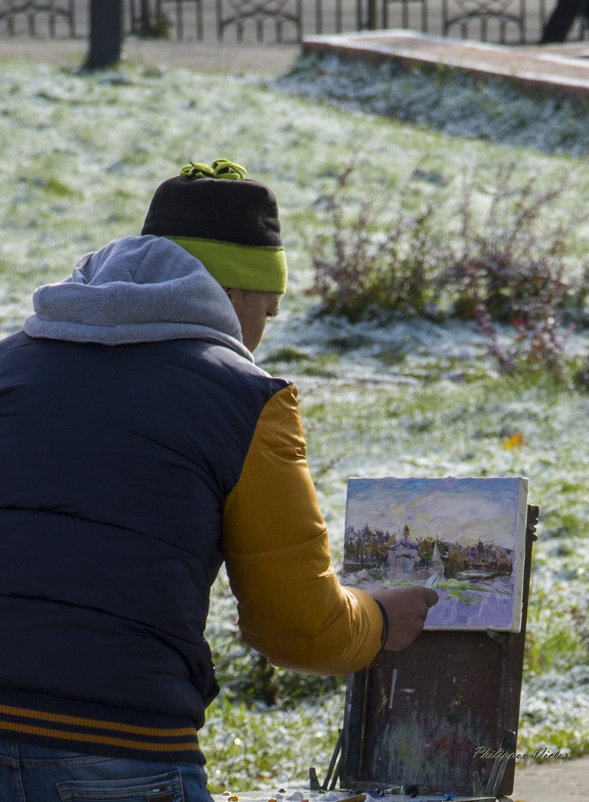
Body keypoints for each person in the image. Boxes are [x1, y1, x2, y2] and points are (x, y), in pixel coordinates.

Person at [0, 158, 438, 801]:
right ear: (231, 296)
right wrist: (377, 619)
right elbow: (297, 626)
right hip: (121, 749)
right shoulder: (244, 398)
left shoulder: (9, 367)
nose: (257, 337)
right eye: (267, 309)